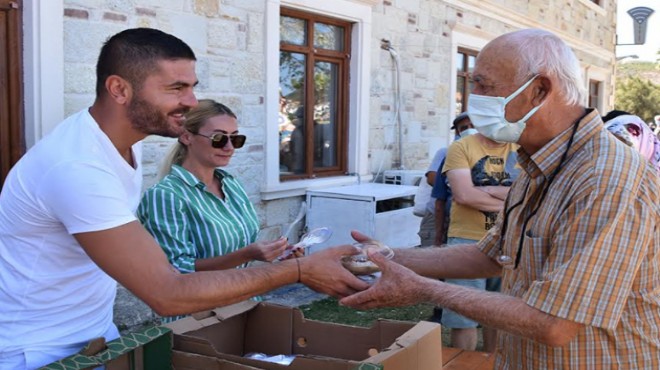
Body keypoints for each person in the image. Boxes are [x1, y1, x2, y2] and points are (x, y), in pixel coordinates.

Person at [0, 28, 367, 369]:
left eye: (192, 87)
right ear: (119, 89)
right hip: (36, 351)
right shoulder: (76, 166)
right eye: (176, 88)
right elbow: (168, 292)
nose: (191, 102)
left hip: (92, 335)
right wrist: (299, 270)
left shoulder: (120, 145)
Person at [341, 28, 660, 369]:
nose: (472, 98)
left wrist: (424, 289)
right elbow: (493, 255)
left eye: (484, 85)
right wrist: (386, 257)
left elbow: (555, 324)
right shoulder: (540, 162)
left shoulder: (605, 178)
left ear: (540, 90)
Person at [137, 100, 290, 322]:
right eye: (219, 138)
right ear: (186, 136)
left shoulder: (230, 184)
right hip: (198, 318)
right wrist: (247, 254)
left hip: (242, 304)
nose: (229, 147)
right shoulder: (166, 195)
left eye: (236, 138)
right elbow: (177, 271)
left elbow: (241, 246)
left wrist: (279, 252)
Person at [441, 111, 520, 352]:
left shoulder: (523, 148)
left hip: (509, 241)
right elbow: (463, 195)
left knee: (499, 316)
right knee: (463, 315)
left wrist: (482, 190)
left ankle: (493, 364)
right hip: (466, 241)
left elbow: (531, 194)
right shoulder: (461, 147)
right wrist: (511, 199)